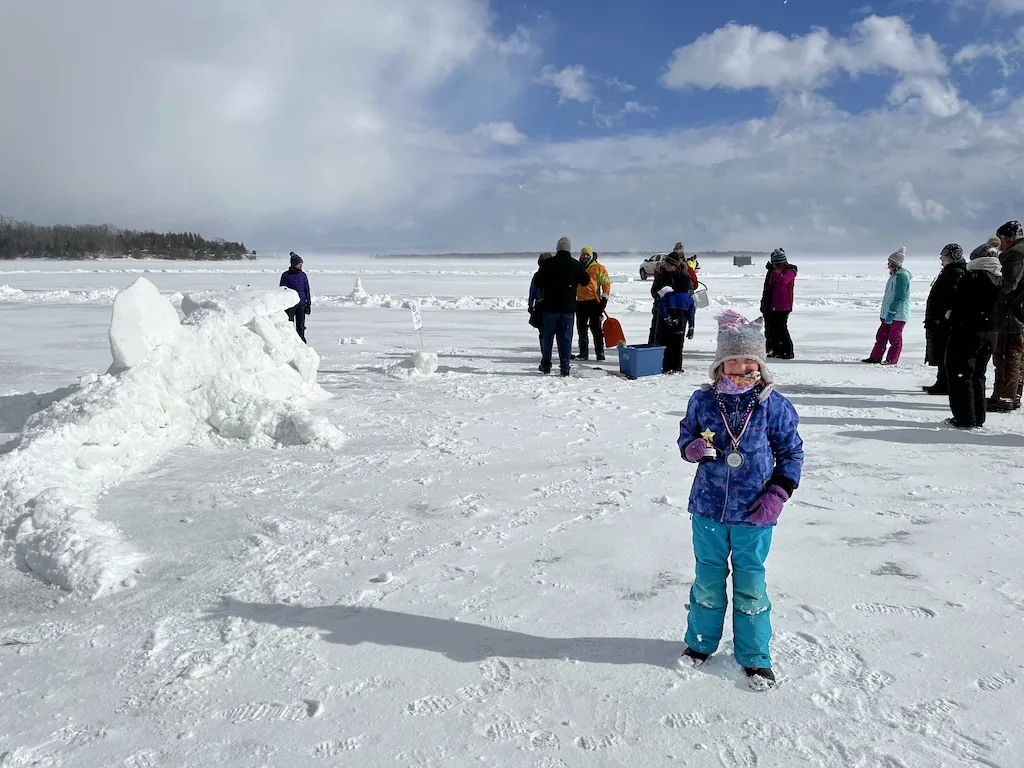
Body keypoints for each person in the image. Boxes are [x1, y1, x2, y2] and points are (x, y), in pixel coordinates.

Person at [676, 311, 804, 691]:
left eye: (749, 360)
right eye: (733, 359)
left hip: (754, 513)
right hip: (708, 509)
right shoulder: (703, 401)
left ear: (760, 364)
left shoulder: (773, 405)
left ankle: (754, 656)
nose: (742, 366)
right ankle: (700, 644)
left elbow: (792, 453)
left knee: (750, 584)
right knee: (708, 579)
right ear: (720, 363)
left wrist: (778, 493)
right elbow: (685, 437)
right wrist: (691, 448)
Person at [945, 244, 1003, 428]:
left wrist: (951, 317)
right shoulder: (999, 277)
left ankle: (964, 418)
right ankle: (978, 416)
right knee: (978, 374)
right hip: (991, 332)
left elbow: (958, 303)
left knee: (961, 374)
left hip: (968, 331)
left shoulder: (972, 278)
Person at [535, 237, 591, 376]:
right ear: (569, 249)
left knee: (548, 338)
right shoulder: (576, 265)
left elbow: (537, 280)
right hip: (568, 309)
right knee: (565, 338)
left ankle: (546, 365)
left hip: (550, 307)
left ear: (557, 248)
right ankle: (565, 367)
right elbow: (586, 281)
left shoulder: (548, 264)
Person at [989, 220, 1024, 412]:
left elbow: (1009, 284)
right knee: (1016, 356)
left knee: (1007, 356)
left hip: (1012, 314)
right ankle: (1012, 396)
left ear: (1009, 238)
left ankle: (1004, 398)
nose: (1000, 242)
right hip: (1018, 314)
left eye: (1001, 238)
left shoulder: (1016, 255)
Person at [923, 244, 967, 394]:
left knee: (943, 351)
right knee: (939, 350)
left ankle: (944, 383)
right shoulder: (949, 272)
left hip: (944, 321)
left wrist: (941, 315)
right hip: (939, 319)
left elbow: (949, 298)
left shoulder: (955, 273)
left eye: (944, 256)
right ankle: (941, 381)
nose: (941, 258)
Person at [863, 247, 912, 365]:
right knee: (881, 336)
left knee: (894, 338)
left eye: (889, 262)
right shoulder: (894, 275)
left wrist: (892, 311)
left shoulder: (902, 276)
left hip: (898, 314)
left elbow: (901, 296)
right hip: (887, 313)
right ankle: (875, 357)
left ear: (895, 264)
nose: (887, 264)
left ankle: (892, 359)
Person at [573, 247, 612, 361]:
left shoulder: (598, 268)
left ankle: (600, 353)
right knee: (581, 329)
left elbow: (606, 284)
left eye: (587, 255)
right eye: (583, 254)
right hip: (580, 302)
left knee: (596, 329)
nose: (584, 257)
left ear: (591, 256)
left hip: (594, 302)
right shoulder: (577, 267)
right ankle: (583, 353)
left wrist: (604, 299)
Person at [759, 248, 797, 360]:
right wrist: (764, 303)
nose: (776, 265)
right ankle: (775, 350)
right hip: (771, 305)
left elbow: (783, 280)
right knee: (771, 329)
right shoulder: (772, 272)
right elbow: (767, 289)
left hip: (783, 306)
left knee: (781, 329)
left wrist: (774, 271)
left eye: (777, 263)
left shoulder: (790, 271)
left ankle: (787, 352)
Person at [648, 252, 692, 343]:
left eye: (669, 264)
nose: (666, 266)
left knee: (675, 342)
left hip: (677, 311)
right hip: (660, 310)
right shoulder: (662, 274)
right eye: (666, 263)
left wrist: (673, 295)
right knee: (656, 338)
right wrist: (658, 295)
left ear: (675, 265)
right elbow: (653, 290)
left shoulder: (684, 277)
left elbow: (688, 293)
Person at [655, 286, 696, 373]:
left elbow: (661, 307)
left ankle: (667, 367)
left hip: (668, 326)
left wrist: (667, 317)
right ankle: (677, 367)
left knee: (668, 347)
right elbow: (691, 314)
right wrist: (691, 327)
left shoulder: (668, 296)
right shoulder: (689, 299)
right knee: (678, 347)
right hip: (681, 327)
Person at [279, 252, 311, 343]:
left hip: (301, 304)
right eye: (299, 264)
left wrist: (308, 304)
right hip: (290, 304)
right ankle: (290, 341)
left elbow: (307, 290)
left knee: (301, 325)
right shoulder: (286, 275)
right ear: (294, 264)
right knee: (289, 323)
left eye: (301, 264)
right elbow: (282, 290)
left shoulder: (303, 275)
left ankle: (301, 341)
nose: (301, 266)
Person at [528, 253, 553, 349]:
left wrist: (530, 304)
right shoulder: (537, 276)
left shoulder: (555, 274)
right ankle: (546, 352)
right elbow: (532, 290)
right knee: (544, 330)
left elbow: (532, 291)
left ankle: (546, 352)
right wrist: (530, 305)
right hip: (542, 305)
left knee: (546, 331)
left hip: (550, 305)